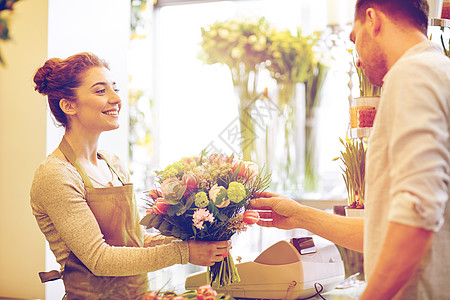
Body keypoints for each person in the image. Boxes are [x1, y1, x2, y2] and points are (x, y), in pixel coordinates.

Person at [251, 0, 450, 299]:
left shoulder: (412, 75)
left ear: (372, 20)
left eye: (354, 39)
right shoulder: (438, 70)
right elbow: (388, 230)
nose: (357, 60)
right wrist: (300, 215)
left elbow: (416, 213)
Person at [30, 52, 230, 299]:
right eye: (100, 91)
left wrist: (200, 239)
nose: (116, 99)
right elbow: (99, 259)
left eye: (114, 89)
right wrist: (183, 253)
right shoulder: (56, 174)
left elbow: (135, 239)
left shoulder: (112, 163)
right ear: (69, 105)